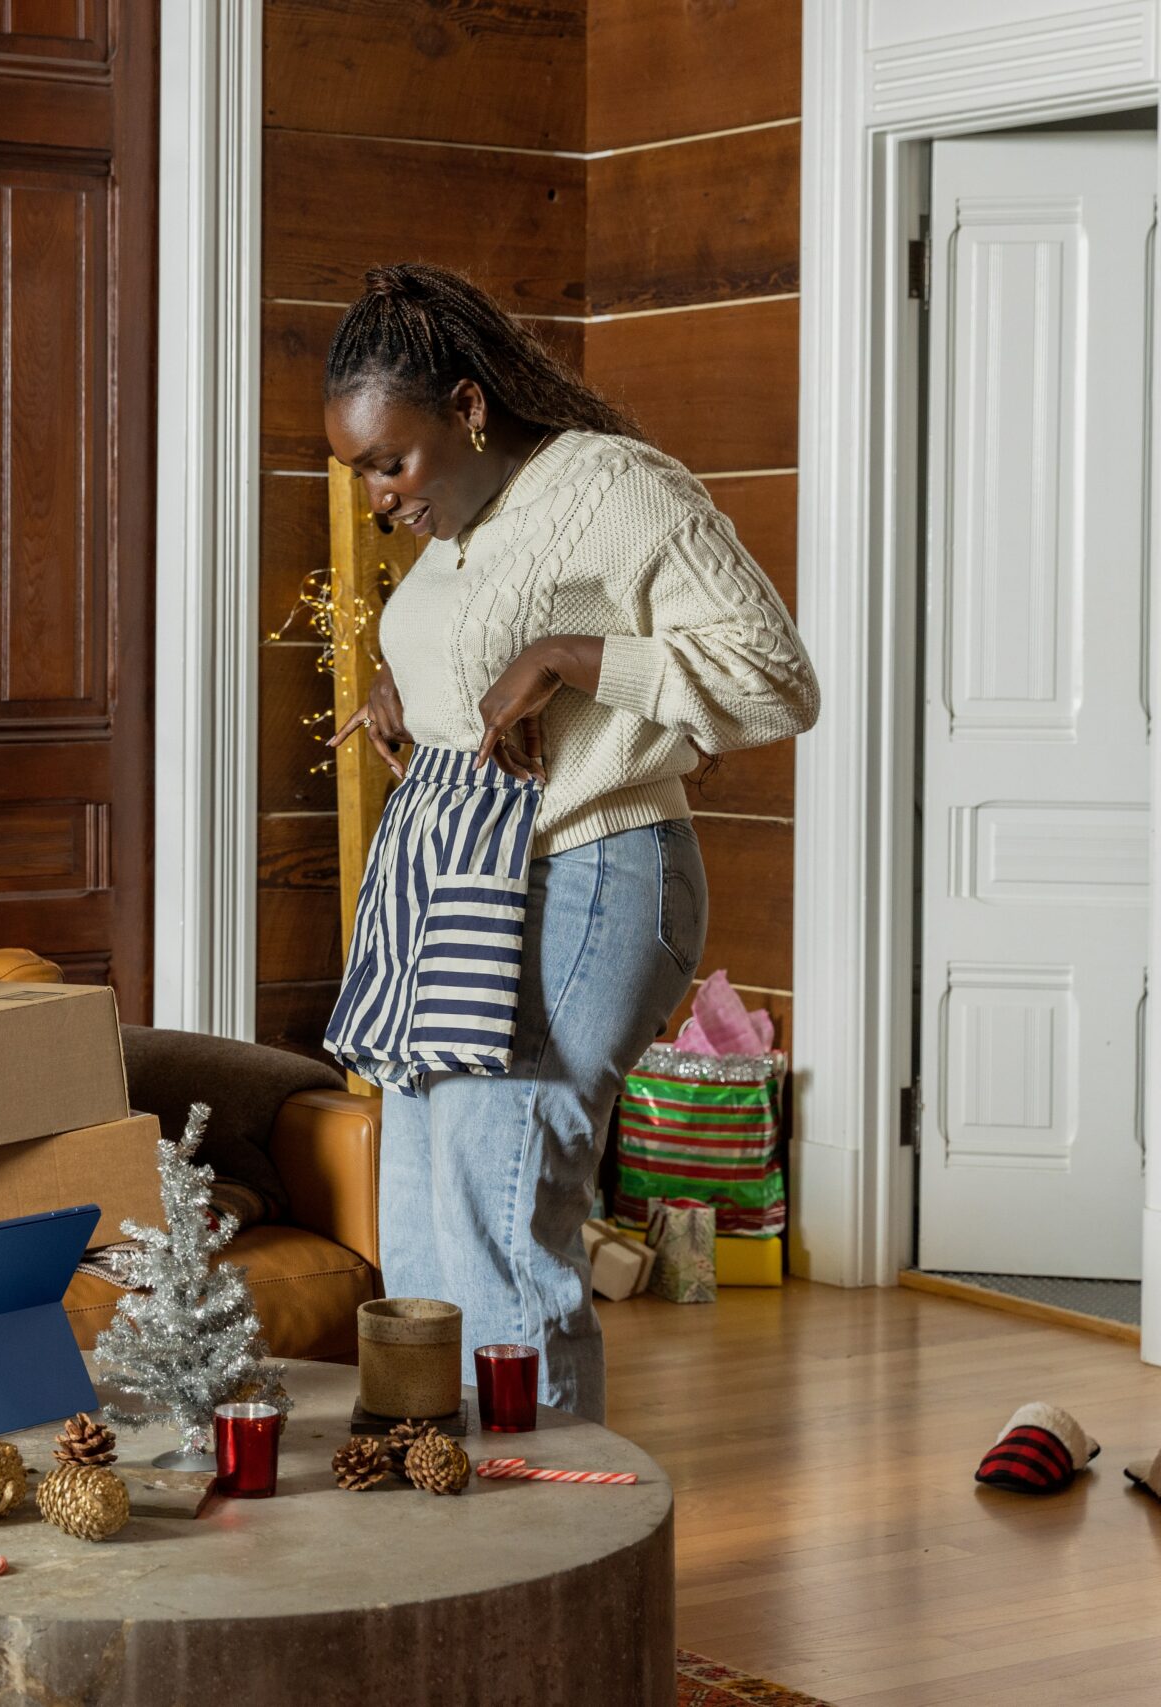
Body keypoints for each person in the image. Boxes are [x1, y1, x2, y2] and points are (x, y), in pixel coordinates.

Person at [318, 263, 817, 1422]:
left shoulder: (616, 488)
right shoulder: (462, 517)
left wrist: (568, 657)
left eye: (389, 462)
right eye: (360, 474)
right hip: (458, 887)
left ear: (468, 406)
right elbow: (477, 649)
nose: (377, 498)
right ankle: (439, 1527)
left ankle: (550, 1540)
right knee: (419, 1243)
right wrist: (411, 688)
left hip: (588, 868)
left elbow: (776, 680)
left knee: (497, 1225)